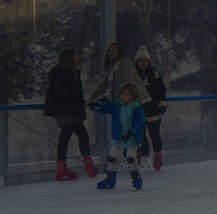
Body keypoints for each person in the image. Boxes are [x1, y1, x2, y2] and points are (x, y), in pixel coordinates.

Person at [44, 48, 96, 180]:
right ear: (70, 59)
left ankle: (62, 167)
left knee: (66, 136)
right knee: (82, 135)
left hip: (65, 110)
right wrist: (72, 103)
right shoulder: (67, 73)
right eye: (76, 57)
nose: (78, 59)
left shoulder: (61, 73)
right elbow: (63, 90)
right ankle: (88, 164)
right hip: (68, 110)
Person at [90, 83, 147, 191]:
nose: (123, 96)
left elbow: (141, 122)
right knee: (112, 158)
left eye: (126, 94)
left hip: (132, 138)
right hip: (119, 137)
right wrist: (97, 105)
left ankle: (136, 176)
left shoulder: (137, 107)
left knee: (130, 158)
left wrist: (131, 132)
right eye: (121, 94)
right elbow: (106, 107)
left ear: (133, 95)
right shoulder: (117, 104)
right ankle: (110, 179)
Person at [133, 47, 168, 172]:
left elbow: (161, 90)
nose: (143, 63)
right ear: (137, 62)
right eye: (140, 60)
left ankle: (157, 157)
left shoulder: (154, 74)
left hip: (153, 110)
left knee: (154, 133)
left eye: (145, 60)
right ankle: (143, 155)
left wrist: (162, 103)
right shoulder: (133, 75)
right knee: (140, 134)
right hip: (138, 110)